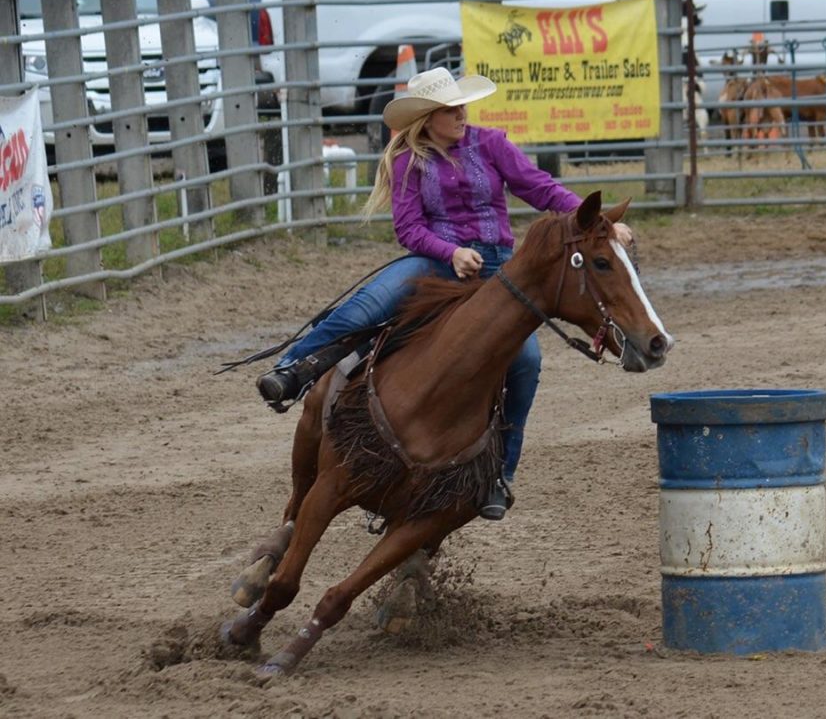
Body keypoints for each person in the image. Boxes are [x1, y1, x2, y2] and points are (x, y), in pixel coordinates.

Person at [257, 66, 630, 520]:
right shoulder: (408, 161)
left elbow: (539, 188)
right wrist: (450, 251)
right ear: (427, 118)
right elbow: (408, 228)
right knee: (369, 305)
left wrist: (601, 224)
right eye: (449, 109)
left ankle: (499, 474)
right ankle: (293, 368)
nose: (460, 113)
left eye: (460, 105)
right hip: (437, 263)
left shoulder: (490, 144)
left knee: (527, 363)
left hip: (498, 268)